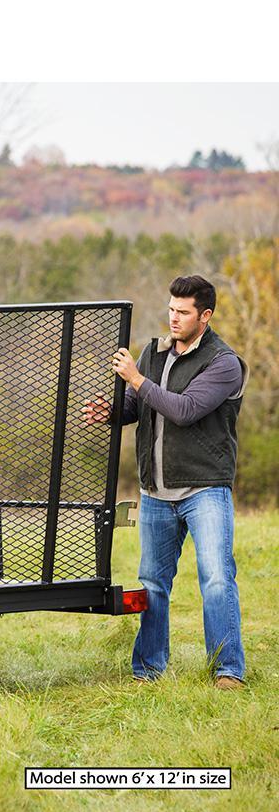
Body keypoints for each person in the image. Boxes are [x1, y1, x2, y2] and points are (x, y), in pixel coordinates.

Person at [83, 275, 249, 688]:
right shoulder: (154, 352)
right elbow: (138, 405)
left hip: (204, 488)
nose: (174, 318)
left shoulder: (223, 363)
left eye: (183, 312)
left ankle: (228, 669)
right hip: (155, 491)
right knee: (153, 583)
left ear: (205, 316)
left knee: (216, 578)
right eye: (171, 309)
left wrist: (136, 380)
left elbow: (185, 409)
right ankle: (148, 669)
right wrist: (111, 411)